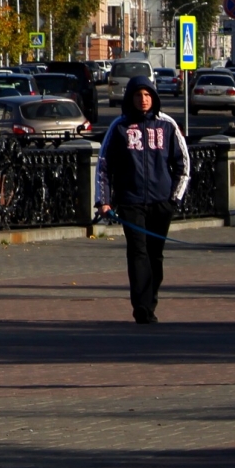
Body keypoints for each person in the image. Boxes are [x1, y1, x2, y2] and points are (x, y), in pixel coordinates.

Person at [96, 75, 189, 323]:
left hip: (161, 202)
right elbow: (104, 166)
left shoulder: (167, 125)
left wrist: (174, 199)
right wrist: (104, 200)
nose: (143, 100)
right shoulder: (119, 127)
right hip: (131, 201)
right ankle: (141, 307)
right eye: (138, 95)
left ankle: (151, 300)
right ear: (130, 98)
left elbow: (183, 165)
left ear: (154, 97)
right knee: (137, 253)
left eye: (147, 95)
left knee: (155, 255)